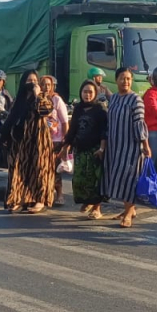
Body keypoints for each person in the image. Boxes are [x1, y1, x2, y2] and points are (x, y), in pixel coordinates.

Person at [0, 70, 56, 213]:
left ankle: (40, 200)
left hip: (38, 141)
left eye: (35, 80)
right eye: (29, 81)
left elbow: (46, 110)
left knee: (39, 170)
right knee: (19, 171)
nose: (32, 83)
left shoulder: (42, 97)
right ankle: (19, 200)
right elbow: (11, 118)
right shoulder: (19, 99)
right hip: (20, 141)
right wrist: (4, 136)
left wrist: (37, 94)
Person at [101, 67, 149, 227]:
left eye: (128, 78)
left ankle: (128, 213)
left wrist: (145, 145)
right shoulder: (114, 98)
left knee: (129, 179)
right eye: (122, 78)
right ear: (116, 80)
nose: (125, 81)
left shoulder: (136, 99)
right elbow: (109, 122)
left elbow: (139, 123)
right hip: (115, 146)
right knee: (118, 178)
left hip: (131, 147)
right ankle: (130, 209)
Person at [63, 79, 108, 218]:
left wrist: (102, 149)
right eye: (84, 92)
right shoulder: (78, 109)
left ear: (95, 93)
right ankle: (87, 201)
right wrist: (66, 146)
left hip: (95, 150)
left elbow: (104, 131)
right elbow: (73, 129)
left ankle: (96, 208)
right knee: (79, 179)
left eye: (90, 92)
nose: (87, 95)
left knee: (94, 180)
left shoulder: (100, 109)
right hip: (80, 150)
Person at [41, 74, 70, 205]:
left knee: (55, 168)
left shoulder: (56, 99)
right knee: (43, 168)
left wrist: (65, 141)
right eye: (43, 84)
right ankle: (45, 194)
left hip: (56, 140)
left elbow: (64, 122)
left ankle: (59, 194)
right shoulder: (38, 100)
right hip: (41, 140)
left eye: (49, 85)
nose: (46, 87)